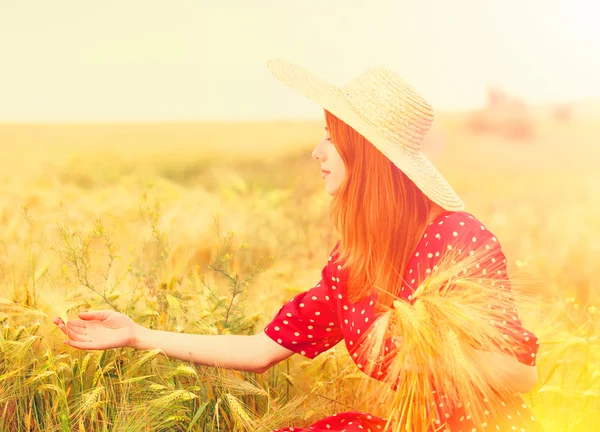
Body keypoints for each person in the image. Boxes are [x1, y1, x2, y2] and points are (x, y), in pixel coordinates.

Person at [53, 59, 543, 431]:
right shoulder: (356, 262)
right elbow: (263, 349)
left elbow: (522, 376)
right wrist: (138, 335)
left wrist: (432, 353)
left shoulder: (458, 242)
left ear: (366, 154)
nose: (317, 151)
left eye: (331, 137)